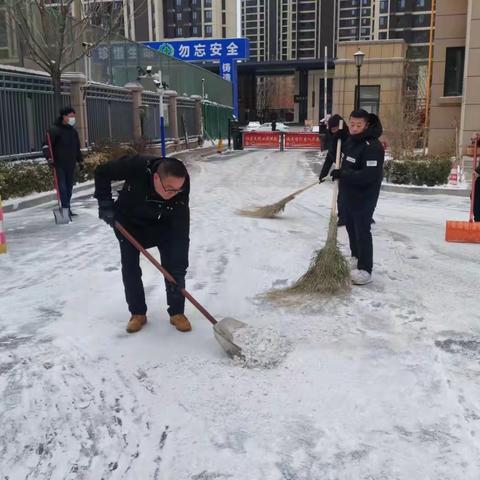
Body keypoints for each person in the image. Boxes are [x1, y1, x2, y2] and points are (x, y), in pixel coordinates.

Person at [94, 155, 191, 334]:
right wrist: (105, 204)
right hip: (130, 224)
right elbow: (102, 172)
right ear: (156, 178)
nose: (172, 194)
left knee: (175, 266)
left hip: (165, 223)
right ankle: (137, 313)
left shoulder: (180, 182)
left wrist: (179, 269)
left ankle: (177, 312)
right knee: (130, 267)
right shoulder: (136, 166)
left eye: (177, 191)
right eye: (168, 189)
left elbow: (181, 226)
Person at [330, 109, 385, 285]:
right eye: (351, 124)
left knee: (362, 229)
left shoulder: (373, 146)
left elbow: (369, 175)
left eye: (358, 125)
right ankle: (355, 256)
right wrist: (336, 139)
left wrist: (344, 174)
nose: (354, 128)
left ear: (366, 125)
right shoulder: (350, 141)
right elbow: (337, 156)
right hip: (348, 193)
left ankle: (365, 269)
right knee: (351, 227)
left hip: (364, 196)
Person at [42, 107, 84, 217]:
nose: (73, 118)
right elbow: (46, 146)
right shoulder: (54, 130)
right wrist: (49, 158)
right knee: (62, 188)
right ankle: (64, 211)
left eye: (74, 116)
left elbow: (76, 147)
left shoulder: (73, 131)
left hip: (70, 164)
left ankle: (67, 209)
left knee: (69, 188)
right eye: (70, 116)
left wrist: (80, 160)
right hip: (59, 163)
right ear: (64, 116)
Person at [318, 114, 348, 226]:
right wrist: (323, 174)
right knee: (342, 195)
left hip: (351, 170)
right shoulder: (331, 138)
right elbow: (330, 157)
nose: (335, 131)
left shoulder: (348, 137)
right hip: (340, 170)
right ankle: (343, 217)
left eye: (337, 129)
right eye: (332, 129)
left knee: (352, 195)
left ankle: (365, 216)